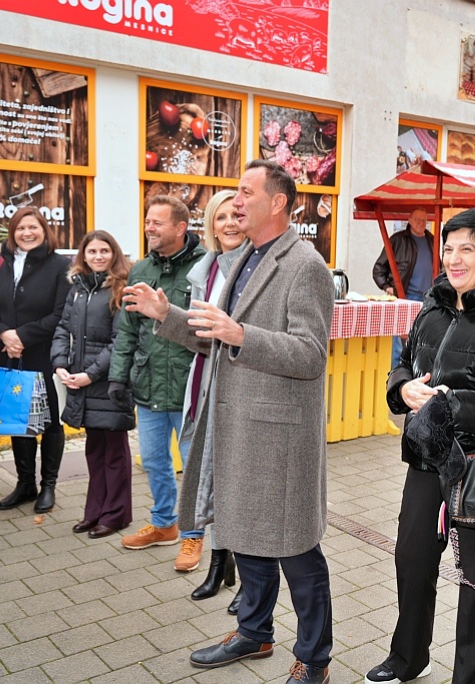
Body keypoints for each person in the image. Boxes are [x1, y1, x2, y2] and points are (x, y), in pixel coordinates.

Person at [153, 160, 334, 684]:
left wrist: (241, 335)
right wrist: (167, 316)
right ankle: (254, 632)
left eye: (246, 191)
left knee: (297, 552)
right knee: (247, 536)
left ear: (277, 202)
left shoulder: (306, 265)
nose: (235, 201)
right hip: (238, 427)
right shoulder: (244, 258)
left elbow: (310, 355)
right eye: (236, 190)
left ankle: (315, 659)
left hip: (279, 435)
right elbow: (217, 339)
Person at [364, 208, 475, 684]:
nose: (454, 258)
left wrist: (453, 405)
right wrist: (402, 388)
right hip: (428, 460)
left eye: (467, 248)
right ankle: (408, 659)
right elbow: (404, 363)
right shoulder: (434, 305)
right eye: (448, 248)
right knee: (412, 561)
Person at [119, 190, 248, 608]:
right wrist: (163, 317)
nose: (229, 223)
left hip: (230, 389)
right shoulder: (205, 270)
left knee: (221, 479)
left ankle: (236, 571)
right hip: (195, 383)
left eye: (236, 215)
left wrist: (167, 317)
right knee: (182, 468)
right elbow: (198, 335)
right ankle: (216, 560)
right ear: (209, 224)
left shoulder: (250, 265)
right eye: (220, 217)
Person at [108, 195, 206, 571]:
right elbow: (128, 331)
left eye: (157, 222)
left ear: (180, 227)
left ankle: (194, 534)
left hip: (188, 385)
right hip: (149, 384)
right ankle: (165, 524)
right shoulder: (140, 270)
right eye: (147, 221)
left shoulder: (204, 267)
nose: (149, 227)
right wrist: (118, 376)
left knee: (193, 465)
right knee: (153, 460)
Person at [0, 207, 71, 514]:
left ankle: (48, 486)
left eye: (33, 227)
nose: (26, 233)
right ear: (12, 232)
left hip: (43, 354)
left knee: (50, 421)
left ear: (44, 230)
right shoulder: (0, 261)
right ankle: (25, 484)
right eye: (20, 228)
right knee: (17, 420)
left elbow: (61, 313)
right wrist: (4, 334)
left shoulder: (60, 265)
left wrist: (22, 336)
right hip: (7, 353)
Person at [51, 231, 134, 539]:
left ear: (114, 253)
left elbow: (121, 341)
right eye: (92, 251)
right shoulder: (78, 288)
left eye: (104, 251)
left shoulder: (122, 287)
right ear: (83, 256)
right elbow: (63, 327)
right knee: (94, 450)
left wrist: (91, 374)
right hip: (82, 380)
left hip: (109, 382)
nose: (98, 256)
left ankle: (116, 515)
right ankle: (94, 511)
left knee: (115, 453)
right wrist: (60, 363)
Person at [372, 208, 434, 367]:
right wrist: (387, 287)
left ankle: (416, 376)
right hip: (405, 298)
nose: (421, 223)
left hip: (428, 299)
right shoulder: (398, 240)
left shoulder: (432, 240)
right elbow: (378, 269)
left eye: (424, 220)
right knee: (400, 345)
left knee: (423, 343)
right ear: (410, 220)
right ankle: (397, 378)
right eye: (417, 220)